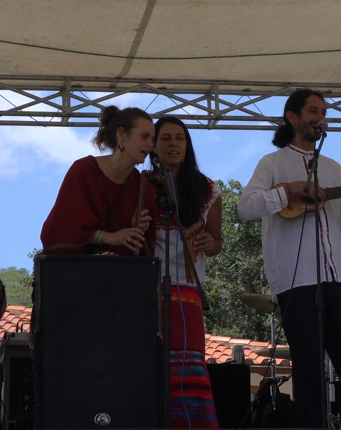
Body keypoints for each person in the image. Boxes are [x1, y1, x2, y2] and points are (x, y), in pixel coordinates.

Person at [237, 89, 341, 428]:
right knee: (309, 372)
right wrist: (290, 191)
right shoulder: (273, 163)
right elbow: (245, 207)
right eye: (313, 110)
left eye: (324, 111)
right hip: (296, 281)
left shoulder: (334, 168)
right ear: (292, 117)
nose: (320, 116)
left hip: (338, 279)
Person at [145, 116, 224, 428]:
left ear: (187, 145)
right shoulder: (141, 186)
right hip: (147, 290)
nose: (173, 144)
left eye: (180, 138)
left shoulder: (207, 189)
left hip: (188, 291)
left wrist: (208, 241)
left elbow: (217, 243)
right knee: (149, 362)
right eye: (165, 138)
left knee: (188, 367)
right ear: (153, 145)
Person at [40, 105, 156, 255]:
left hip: (122, 273)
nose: (151, 145)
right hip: (77, 272)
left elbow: (146, 249)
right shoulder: (83, 171)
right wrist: (107, 237)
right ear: (121, 135)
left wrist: (137, 227)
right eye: (144, 136)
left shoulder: (142, 185)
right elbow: (62, 230)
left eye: (153, 139)